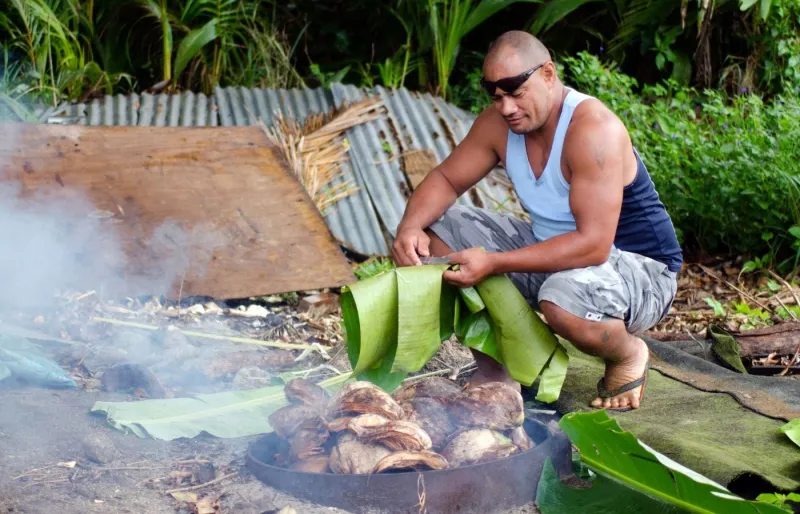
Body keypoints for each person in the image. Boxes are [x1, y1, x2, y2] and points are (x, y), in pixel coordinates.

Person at [391, 30, 683, 412]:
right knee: (437, 236)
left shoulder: (594, 130)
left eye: (516, 93)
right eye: (497, 97)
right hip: (558, 257)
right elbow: (446, 179)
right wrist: (409, 228)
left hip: (640, 271)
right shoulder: (498, 125)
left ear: (548, 74)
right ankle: (499, 370)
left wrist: (494, 262)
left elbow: (594, 245)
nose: (507, 107)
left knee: (561, 297)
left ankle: (628, 354)